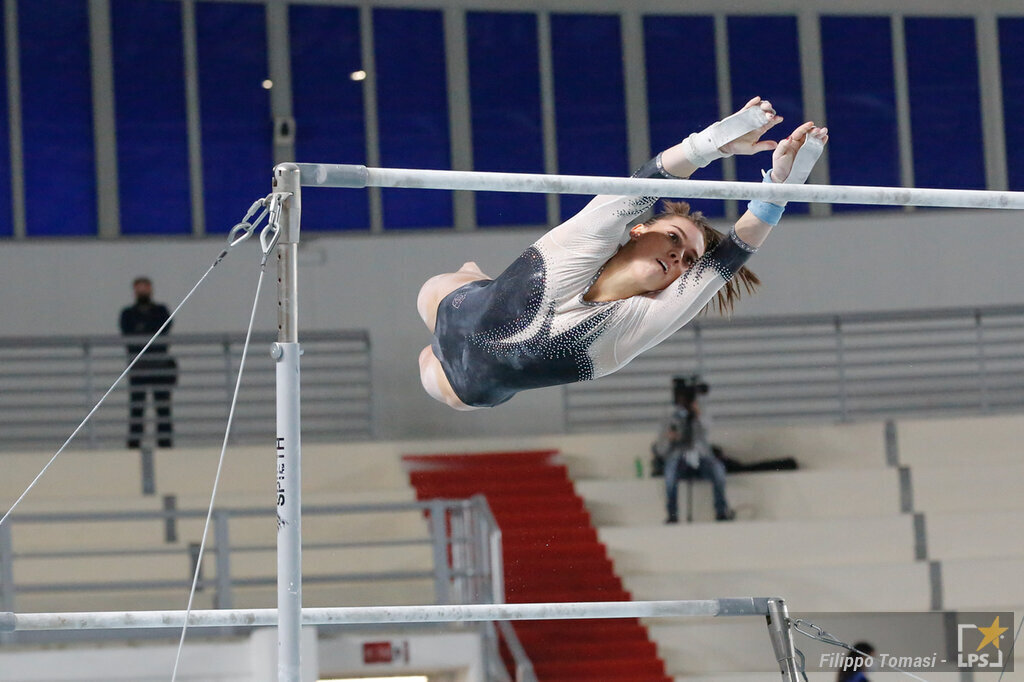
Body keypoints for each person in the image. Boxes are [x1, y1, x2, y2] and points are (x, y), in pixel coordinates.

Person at [417, 97, 828, 410]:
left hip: (463, 384)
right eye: (673, 238)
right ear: (638, 229)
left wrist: (777, 190)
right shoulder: (584, 243)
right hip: (452, 300)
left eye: (688, 260)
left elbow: (728, 259)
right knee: (453, 287)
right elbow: (648, 181)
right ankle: (471, 276)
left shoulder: (636, 324)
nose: (678, 257)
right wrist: (715, 141)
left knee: (426, 364)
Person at [658, 376, 734, 523]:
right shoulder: (670, 417)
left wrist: (698, 415)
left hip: (701, 457)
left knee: (718, 470)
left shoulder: (700, 414)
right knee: (670, 472)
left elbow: (708, 430)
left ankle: (721, 512)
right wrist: (669, 438)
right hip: (678, 458)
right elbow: (661, 449)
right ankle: (672, 515)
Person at [119, 276, 177, 448]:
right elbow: (129, 332)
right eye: (139, 287)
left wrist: (143, 330)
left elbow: (164, 328)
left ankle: (165, 445)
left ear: (150, 289)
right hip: (139, 367)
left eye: (145, 286)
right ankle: (134, 446)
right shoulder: (128, 313)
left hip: (159, 366)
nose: (142, 290)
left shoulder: (160, 310)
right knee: (137, 409)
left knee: (163, 408)